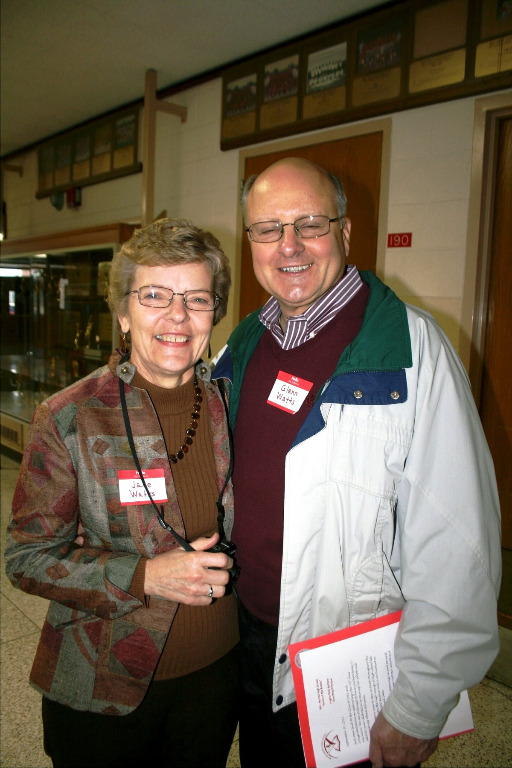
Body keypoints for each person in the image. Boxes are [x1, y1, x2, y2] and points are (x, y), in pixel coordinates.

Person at [213, 158, 502, 768]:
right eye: (267, 229)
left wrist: (421, 701)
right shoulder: (240, 345)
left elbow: (457, 539)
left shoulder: (411, 352)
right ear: (251, 242)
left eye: (309, 223)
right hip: (245, 643)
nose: (287, 245)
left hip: (349, 662)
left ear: (344, 233)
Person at [5, 218, 239, 768]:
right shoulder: (69, 417)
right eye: (155, 295)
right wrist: (144, 576)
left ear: (214, 312)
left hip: (215, 679)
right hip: (103, 683)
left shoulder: (230, 405)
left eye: (196, 299)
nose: (177, 316)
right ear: (123, 312)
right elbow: (26, 559)